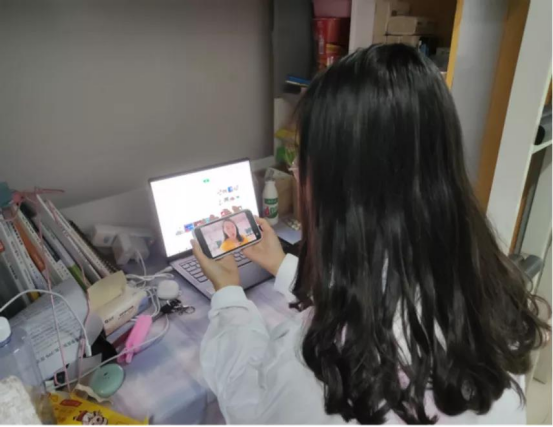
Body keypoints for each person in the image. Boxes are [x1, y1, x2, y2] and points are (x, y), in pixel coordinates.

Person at [190, 44, 550, 424]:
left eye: (300, 160)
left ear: (341, 189)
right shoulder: (487, 295)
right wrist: (281, 266)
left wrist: (228, 294)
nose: (297, 175)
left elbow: (252, 405)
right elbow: (374, 293)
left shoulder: (325, 367)